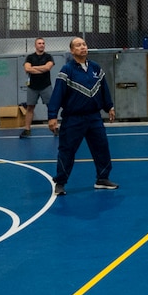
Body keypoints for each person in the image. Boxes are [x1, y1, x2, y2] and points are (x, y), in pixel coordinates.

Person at [46, 37, 120, 196]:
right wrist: (52, 116)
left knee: (102, 148)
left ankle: (102, 179)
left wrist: (109, 106)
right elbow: (57, 94)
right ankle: (60, 182)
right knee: (67, 150)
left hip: (94, 118)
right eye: (78, 45)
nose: (82, 47)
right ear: (72, 51)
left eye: (84, 44)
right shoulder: (67, 70)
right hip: (73, 119)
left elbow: (104, 89)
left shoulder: (96, 68)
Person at [21, 37, 55, 138]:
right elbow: (27, 68)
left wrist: (33, 68)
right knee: (30, 107)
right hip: (33, 87)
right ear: (35, 45)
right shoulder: (30, 57)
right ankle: (27, 129)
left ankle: (54, 128)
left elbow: (48, 67)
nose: (41, 45)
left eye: (43, 43)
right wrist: (41, 69)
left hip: (46, 86)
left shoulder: (48, 57)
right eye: (39, 43)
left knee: (51, 107)